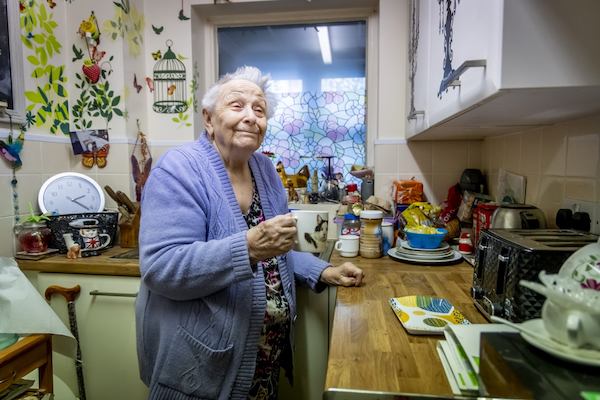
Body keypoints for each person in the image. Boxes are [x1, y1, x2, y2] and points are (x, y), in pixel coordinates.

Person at [135, 66, 364, 400]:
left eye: (260, 110)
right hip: (201, 372)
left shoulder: (266, 171)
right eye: (237, 105)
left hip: (261, 365)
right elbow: (162, 267)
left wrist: (324, 271)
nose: (251, 117)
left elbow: (276, 252)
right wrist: (248, 249)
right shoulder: (179, 169)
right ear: (209, 119)